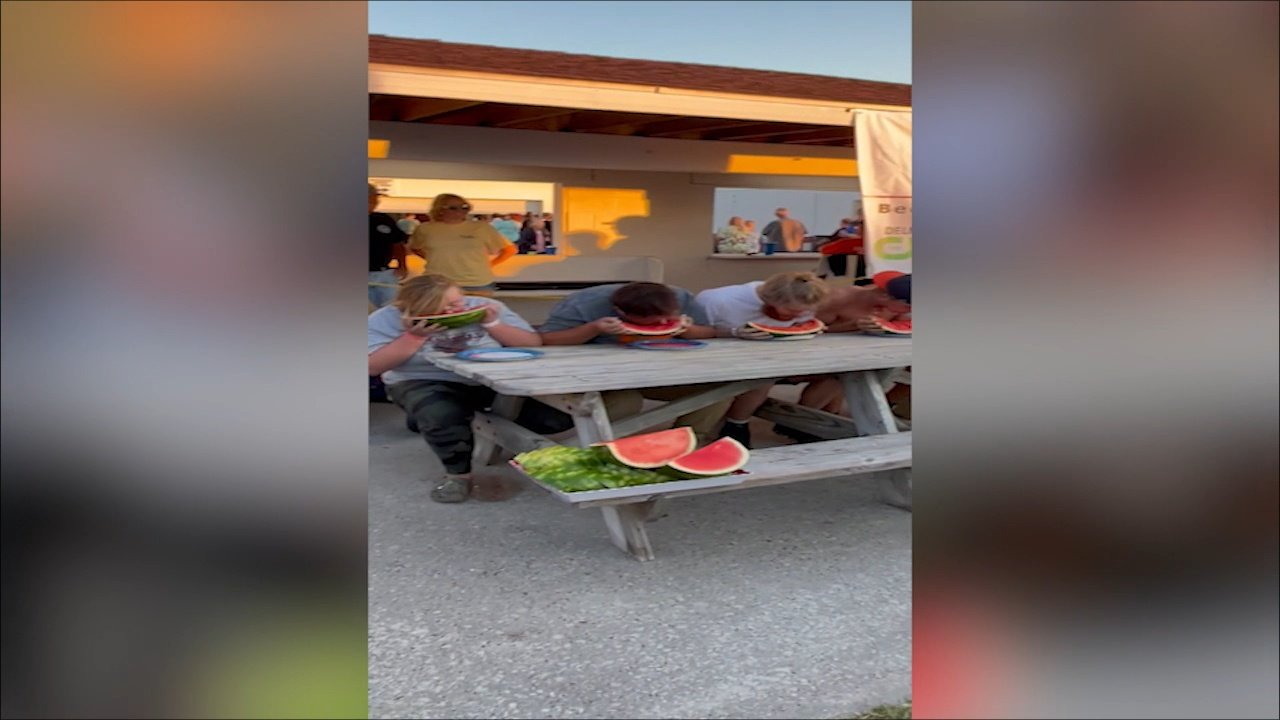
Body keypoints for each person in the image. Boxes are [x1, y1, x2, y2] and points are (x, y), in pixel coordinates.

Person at [368, 273, 543, 503]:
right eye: (449, 305)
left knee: (547, 416)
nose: (459, 307)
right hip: (421, 379)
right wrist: (413, 337)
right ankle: (458, 475)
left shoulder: (486, 307)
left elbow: (533, 344)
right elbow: (373, 367)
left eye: (458, 299)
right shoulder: (384, 319)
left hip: (486, 378)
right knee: (440, 413)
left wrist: (492, 324)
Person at [533, 282, 731, 442]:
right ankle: (603, 448)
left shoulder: (681, 298)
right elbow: (548, 340)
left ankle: (686, 442)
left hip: (662, 374)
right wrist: (593, 329)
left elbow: (709, 333)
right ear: (620, 312)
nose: (663, 325)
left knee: (721, 389)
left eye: (667, 319)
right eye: (653, 322)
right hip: (601, 379)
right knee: (625, 403)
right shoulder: (582, 304)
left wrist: (688, 330)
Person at [694, 272, 831, 447]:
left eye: (806, 311)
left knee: (842, 373)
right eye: (792, 311)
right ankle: (734, 425)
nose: (800, 315)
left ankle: (801, 424)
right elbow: (693, 335)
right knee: (761, 375)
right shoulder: (716, 301)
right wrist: (732, 333)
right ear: (770, 299)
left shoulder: (804, 302)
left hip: (778, 362)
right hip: (717, 363)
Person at [408, 194, 517, 296]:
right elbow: (415, 248)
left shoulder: (482, 227)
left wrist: (491, 264)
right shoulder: (425, 229)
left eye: (464, 207)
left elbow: (509, 250)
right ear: (440, 209)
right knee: (438, 315)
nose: (460, 210)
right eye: (453, 208)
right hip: (437, 282)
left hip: (477, 282)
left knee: (479, 314)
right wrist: (434, 259)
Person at [369, 183, 408, 309]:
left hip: (383, 272)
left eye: (375, 199)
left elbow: (397, 243)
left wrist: (402, 265)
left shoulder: (383, 219)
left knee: (394, 308)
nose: (375, 202)